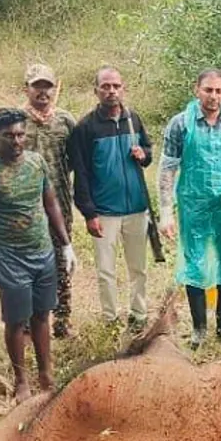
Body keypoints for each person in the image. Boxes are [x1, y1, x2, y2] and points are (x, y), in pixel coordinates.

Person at [0, 108, 73, 401]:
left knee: (42, 315)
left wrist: (65, 244)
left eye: (20, 134)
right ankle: (21, 380)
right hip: (10, 257)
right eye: (9, 136)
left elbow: (51, 204)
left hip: (42, 252)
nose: (16, 141)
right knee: (16, 320)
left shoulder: (36, 163)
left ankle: (46, 373)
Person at [159, 69, 221, 349]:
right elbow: (167, 168)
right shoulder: (181, 124)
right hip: (193, 205)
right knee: (195, 264)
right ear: (196, 90)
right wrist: (166, 211)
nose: (213, 96)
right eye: (208, 90)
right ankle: (199, 328)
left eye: (218, 91)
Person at [68, 66, 154, 329]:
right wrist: (89, 213)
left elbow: (148, 151)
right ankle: (110, 318)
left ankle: (139, 314)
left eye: (116, 86)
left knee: (138, 268)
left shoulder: (133, 119)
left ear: (123, 88)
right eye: (105, 86)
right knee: (106, 271)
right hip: (104, 211)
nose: (111, 91)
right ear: (96, 91)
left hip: (137, 208)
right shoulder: (85, 127)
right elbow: (80, 174)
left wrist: (145, 155)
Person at [21, 63, 79, 338]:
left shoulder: (65, 120)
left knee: (61, 263)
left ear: (54, 89)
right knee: (28, 263)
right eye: (37, 86)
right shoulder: (15, 121)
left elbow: (79, 160)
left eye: (48, 86)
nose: (43, 92)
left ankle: (62, 321)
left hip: (61, 204)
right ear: (27, 88)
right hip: (25, 208)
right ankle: (29, 321)